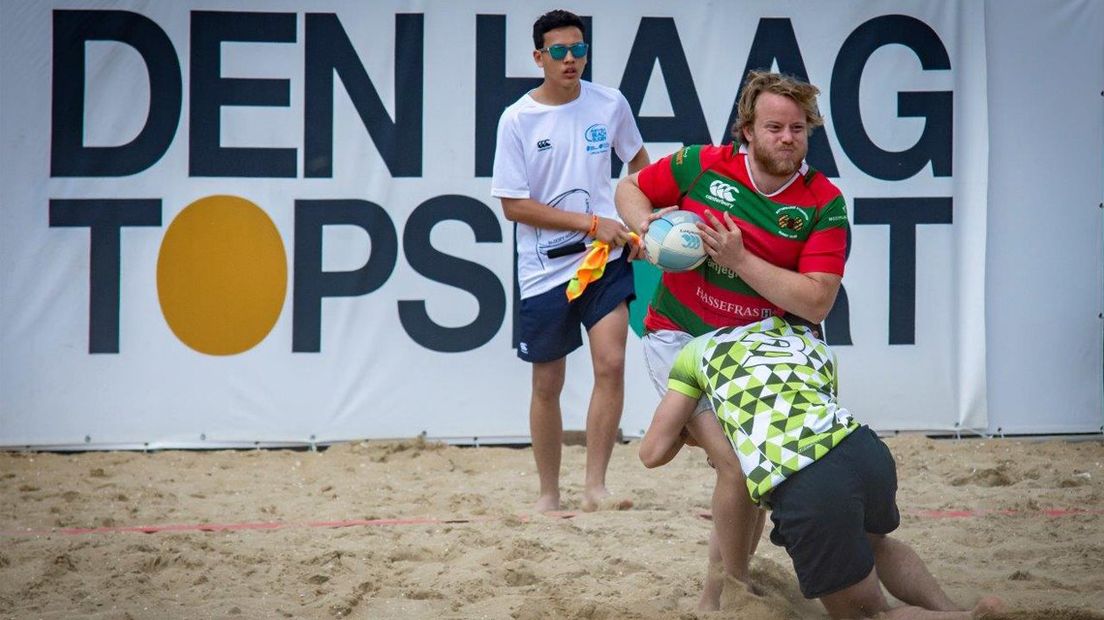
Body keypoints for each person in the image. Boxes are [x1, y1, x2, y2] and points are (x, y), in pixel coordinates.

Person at [615, 69, 848, 606]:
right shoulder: (703, 164)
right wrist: (649, 228)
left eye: (798, 129)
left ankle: (728, 582)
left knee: (755, 468)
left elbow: (816, 301)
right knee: (735, 463)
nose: (787, 139)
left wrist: (739, 260)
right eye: (774, 127)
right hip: (681, 336)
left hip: (759, 350)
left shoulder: (823, 202)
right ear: (746, 130)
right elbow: (628, 188)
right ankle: (725, 592)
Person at [639, 317, 1005, 619]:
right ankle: (953, 608)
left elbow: (652, 452)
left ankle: (965, 618)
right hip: (865, 451)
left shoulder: (696, 351)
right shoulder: (811, 343)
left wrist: (690, 431)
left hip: (809, 480)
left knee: (866, 614)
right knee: (876, 543)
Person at [491, 9, 650, 513]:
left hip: (604, 257)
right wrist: (588, 223)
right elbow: (513, 205)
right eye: (558, 51)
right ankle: (548, 495)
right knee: (548, 382)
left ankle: (595, 488)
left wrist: (638, 216)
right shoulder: (517, 119)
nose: (570, 59)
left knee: (612, 361)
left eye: (578, 49)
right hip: (543, 267)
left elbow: (639, 164)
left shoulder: (610, 103)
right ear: (539, 57)